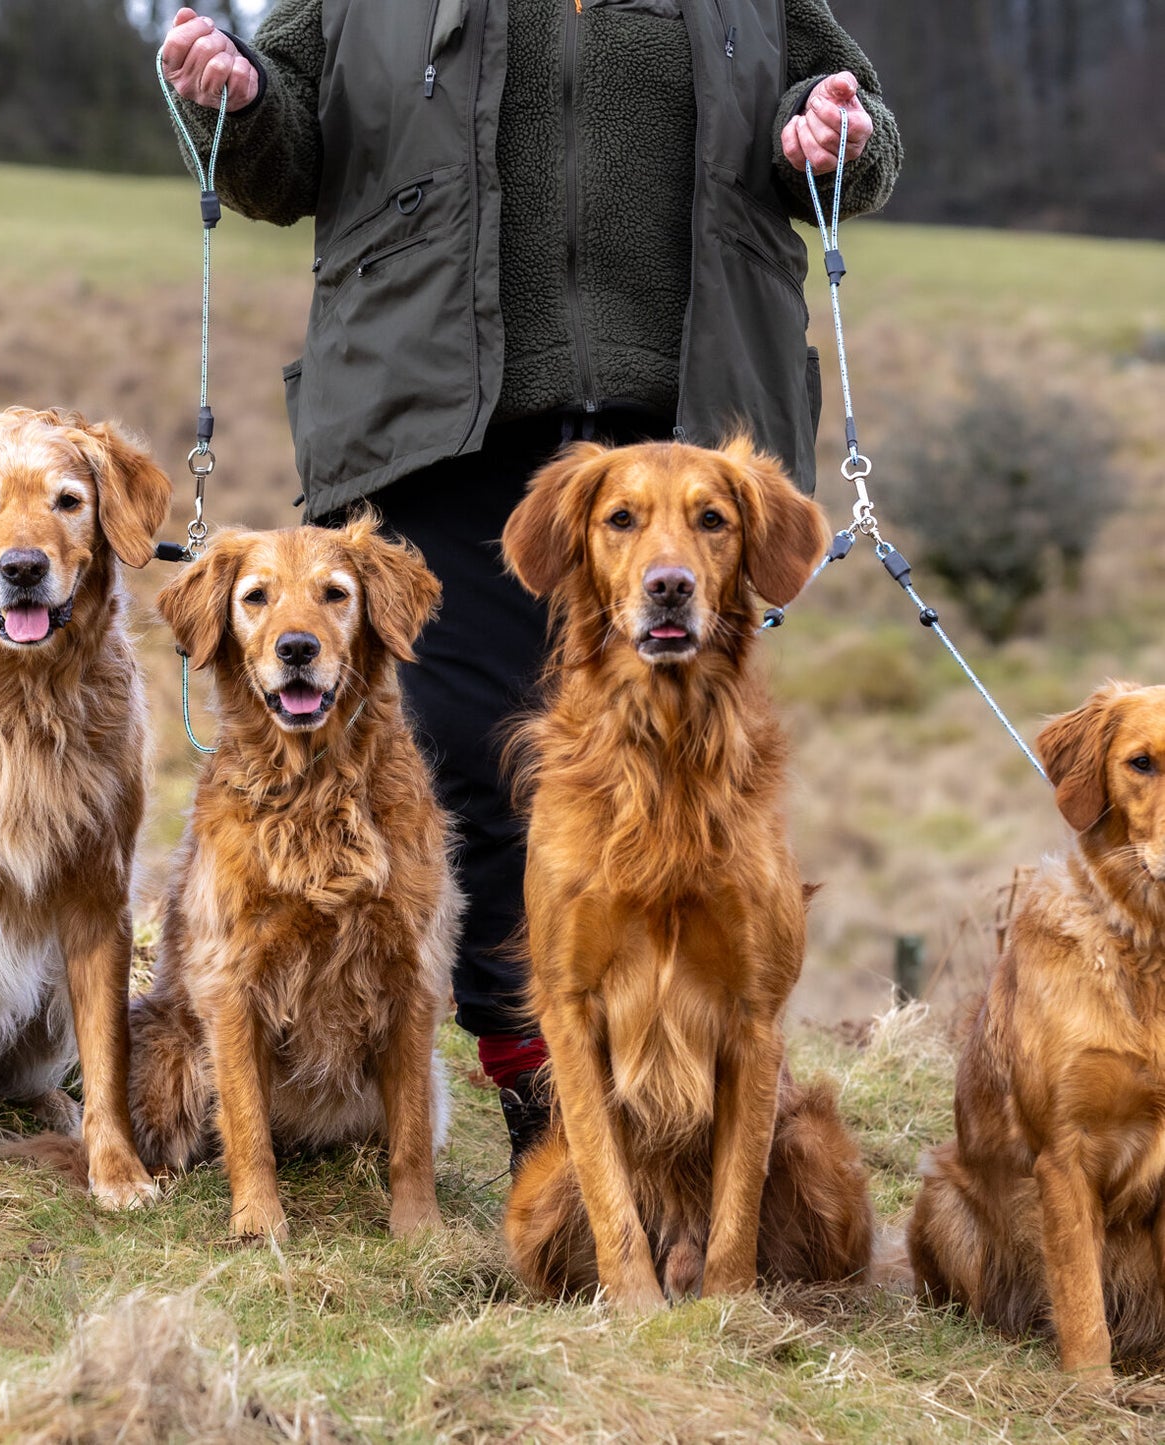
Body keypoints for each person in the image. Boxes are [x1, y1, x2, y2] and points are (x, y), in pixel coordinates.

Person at [159, 0, 902, 1169]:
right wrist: (234, 96)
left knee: (663, 771)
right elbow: (280, 152)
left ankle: (674, 1076)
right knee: (459, 751)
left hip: (678, 441)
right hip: (440, 433)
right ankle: (540, 1098)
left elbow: (854, 133)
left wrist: (830, 134)